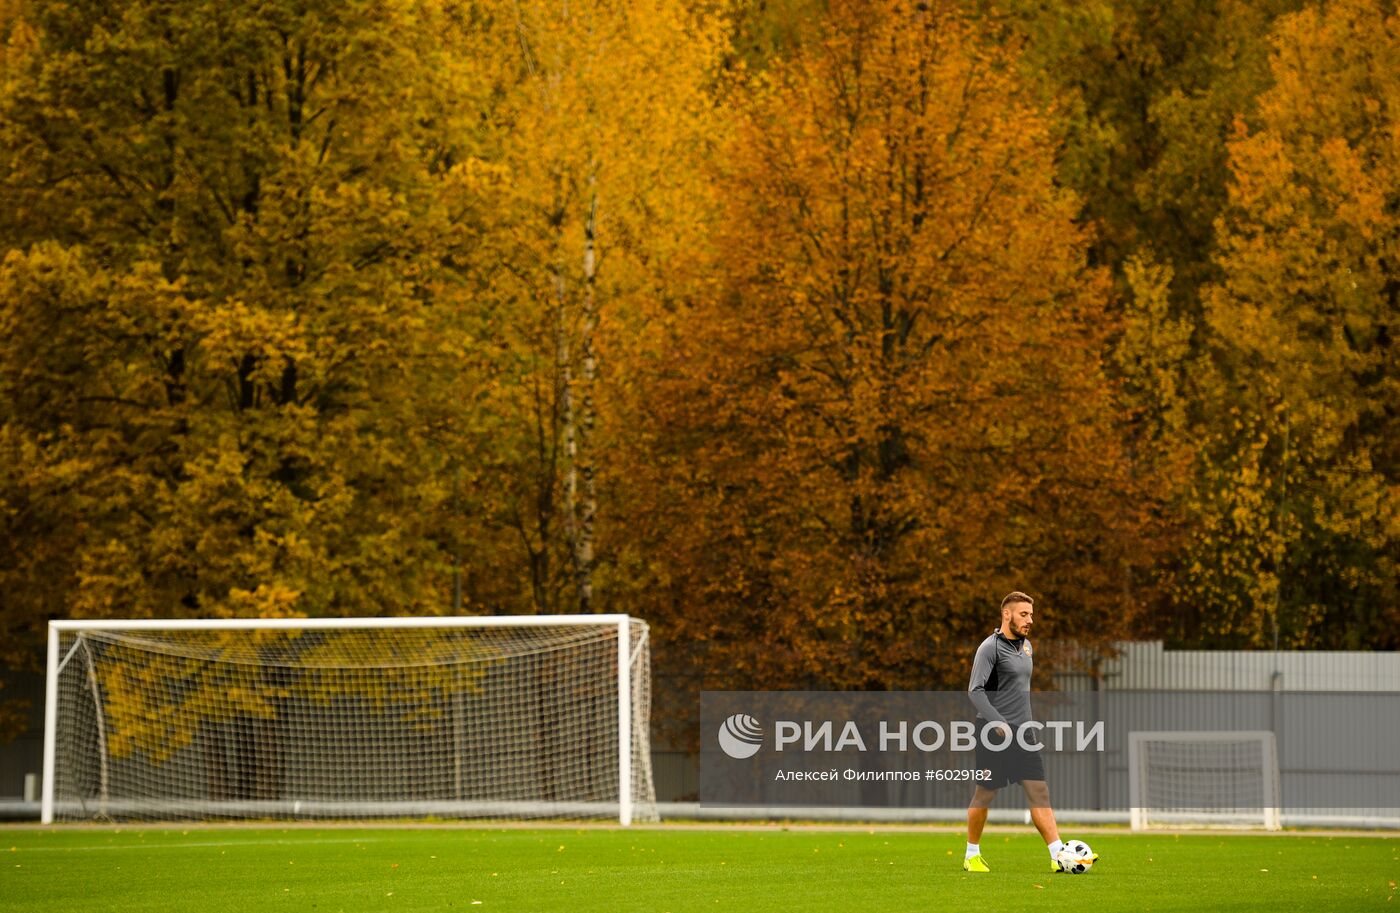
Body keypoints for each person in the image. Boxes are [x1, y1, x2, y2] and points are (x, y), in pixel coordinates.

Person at [961, 591, 1072, 874]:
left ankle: (1058, 854)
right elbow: (975, 691)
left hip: (1024, 733)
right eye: (1024, 614)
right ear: (1007, 614)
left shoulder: (1027, 647)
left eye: (1031, 615)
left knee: (1039, 791)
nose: (1030, 620)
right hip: (992, 732)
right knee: (985, 794)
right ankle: (971, 854)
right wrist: (998, 723)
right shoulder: (990, 648)